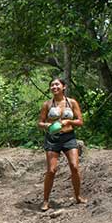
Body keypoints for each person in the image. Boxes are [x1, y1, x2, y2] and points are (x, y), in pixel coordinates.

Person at [37, 77, 87, 212]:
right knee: (51, 170)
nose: (54, 87)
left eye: (57, 85)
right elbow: (40, 123)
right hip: (52, 138)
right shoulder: (47, 104)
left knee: (74, 167)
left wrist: (68, 122)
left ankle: (78, 196)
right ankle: (46, 201)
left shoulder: (72, 103)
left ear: (63, 87)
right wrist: (47, 125)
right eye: (52, 85)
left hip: (69, 137)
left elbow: (80, 121)